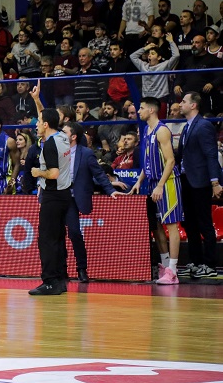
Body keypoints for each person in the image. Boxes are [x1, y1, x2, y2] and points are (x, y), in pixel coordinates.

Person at [130, 98, 184, 285]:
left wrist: (161, 185)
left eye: (142, 108)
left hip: (167, 182)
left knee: (171, 224)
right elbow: (147, 160)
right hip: (152, 182)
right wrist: (139, 181)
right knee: (156, 226)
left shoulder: (162, 130)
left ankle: (173, 271)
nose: (139, 111)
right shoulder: (146, 130)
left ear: (152, 110)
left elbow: (170, 161)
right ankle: (165, 264)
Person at [61, 121, 122, 282]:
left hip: (73, 197)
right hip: (58, 196)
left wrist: (110, 190)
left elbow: (99, 174)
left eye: (64, 132)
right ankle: (61, 270)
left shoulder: (86, 153)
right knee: (56, 234)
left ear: (73, 137)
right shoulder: (57, 151)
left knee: (74, 232)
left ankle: (81, 268)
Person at [28, 82, 73, 296]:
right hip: (65, 195)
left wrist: (38, 173)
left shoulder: (50, 145)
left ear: (45, 125)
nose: (36, 124)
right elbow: (47, 119)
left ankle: (49, 281)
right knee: (58, 239)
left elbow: (53, 173)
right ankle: (60, 280)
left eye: (39, 122)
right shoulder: (63, 136)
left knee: (46, 240)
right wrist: (37, 101)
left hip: (53, 196)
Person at [175, 92, 223, 279]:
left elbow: (211, 155)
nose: (180, 104)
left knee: (204, 223)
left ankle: (210, 265)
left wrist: (215, 182)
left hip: (201, 181)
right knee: (190, 223)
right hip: (186, 179)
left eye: (184, 101)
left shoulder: (203, 126)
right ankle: (195, 262)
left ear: (193, 105)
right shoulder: (187, 127)